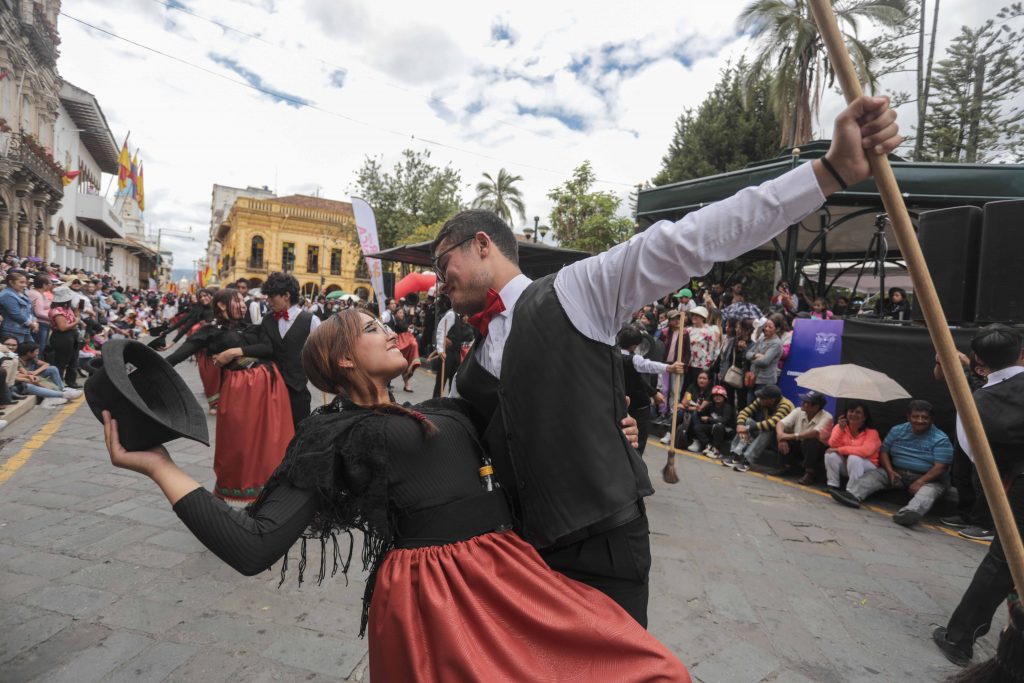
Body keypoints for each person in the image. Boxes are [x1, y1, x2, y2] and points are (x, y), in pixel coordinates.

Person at [431, 95, 900, 626]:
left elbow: (694, 239)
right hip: (516, 549)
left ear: (482, 244)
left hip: (601, 549)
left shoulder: (580, 289)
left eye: (442, 261)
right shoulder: (471, 354)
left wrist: (831, 171)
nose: (437, 276)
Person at [100, 309, 692, 681]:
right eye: (373, 329)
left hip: (515, 572)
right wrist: (158, 466)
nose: (392, 331)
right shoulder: (330, 435)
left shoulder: (449, 407)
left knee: (645, 667)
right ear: (341, 358)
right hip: (438, 599)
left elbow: (530, 438)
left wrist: (619, 431)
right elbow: (252, 545)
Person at [934, 325, 1024, 667]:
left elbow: (977, 456)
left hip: (1018, 487)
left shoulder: (977, 405)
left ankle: (959, 639)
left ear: (978, 362)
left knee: (1003, 562)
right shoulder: (981, 395)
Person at [166, 288, 294, 503]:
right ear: (222, 305)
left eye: (244, 301)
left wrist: (233, 352)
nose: (243, 305)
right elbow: (179, 355)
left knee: (269, 441)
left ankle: (264, 491)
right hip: (239, 391)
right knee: (235, 442)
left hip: (269, 389)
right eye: (238, 301)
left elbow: (268, 348)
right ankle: (224, 490)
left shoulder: (254, 327)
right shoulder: (209, 332)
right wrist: (142, 366)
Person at [212, 272, 319, 430]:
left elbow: (323, 351)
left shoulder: (311, 320)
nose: (267, 301)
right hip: (270, 391)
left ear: (286, 296)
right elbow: (251, 338)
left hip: (297, 393)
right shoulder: (266, 319)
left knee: (299, 435)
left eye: (271, 296)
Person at [830, 400, 953, 526]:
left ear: (932, 419)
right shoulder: (897, 430)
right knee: (874, 475)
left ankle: (909, 513)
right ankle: (852, 495)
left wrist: (920, 481)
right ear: (908, 417)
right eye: (916, 416)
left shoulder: (940, 439)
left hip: (929, 479)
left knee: (927, 493)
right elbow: (884, 451)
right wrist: (889, 471)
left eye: (924, 418)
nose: (919, 420)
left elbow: (941, 467)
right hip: (897, 472)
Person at [618, 325, 684, 454]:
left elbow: (638, 378)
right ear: (634, 345)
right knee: (638, 443)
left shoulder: (611, 354)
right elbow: (648, 365)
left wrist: (653, 393)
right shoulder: (633, 359)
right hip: (638, 407)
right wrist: (669, 368)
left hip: (620, 405)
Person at [723, 384, 794, 472]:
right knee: (747, 421)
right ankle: (736, 454)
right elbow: (745, 411)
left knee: (768, 429)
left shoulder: (785, 405)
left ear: (772, 400)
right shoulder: (762, 401)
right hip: (766, 435)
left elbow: (772, 423)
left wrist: (748, 428)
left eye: (763, 397)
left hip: (783, 440)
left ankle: (747, 460)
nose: (759, 399)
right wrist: (740, 424)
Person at [776, 390, 834, 485]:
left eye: (807, 402)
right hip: (800, 445)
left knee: (811, 441)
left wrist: (792, 436)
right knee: (783, 436)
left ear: (816, 407)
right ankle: (784, 466)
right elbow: (780, 423)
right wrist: (781, 437)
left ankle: (809, 473)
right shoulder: (798, 411)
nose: (803, 403)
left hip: (818, 450)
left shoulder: (827, 417)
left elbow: (815, 433)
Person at [825, 402, 882, 494]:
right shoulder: (840, 427)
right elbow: (832, 444)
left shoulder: (872, 433)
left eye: (858, 412)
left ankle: (851, 491)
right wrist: (840, 429)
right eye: (851, 411)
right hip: (848, 465)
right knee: (830, 455)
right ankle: (832, 485)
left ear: (864, 417)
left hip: (867, 467)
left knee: (854, 458)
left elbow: (865, 451)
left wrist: (839, 450)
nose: (853, 414)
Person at [15, 340, 81, 406]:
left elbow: (46, 364)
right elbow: (26, 375)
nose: (38, 353)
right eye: (36, 351)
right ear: (29, 353)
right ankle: (62, 394)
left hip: (31, 377)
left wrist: (35, 372)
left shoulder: (32, 359)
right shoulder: (17, 360)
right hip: (24, 380)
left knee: (52, 368)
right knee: (34, 383)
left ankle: (62, 389)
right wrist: (33, 376)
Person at [47, 286, 81, 389]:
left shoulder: (67, 308)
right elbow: (63, 327)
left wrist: (77, 311)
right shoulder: (57, 311)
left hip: (72, 335)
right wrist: (76, 322)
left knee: (73, 359)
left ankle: (71, 381)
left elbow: (74, 317)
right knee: (61, 361)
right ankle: (58, 383)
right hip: (62, 337)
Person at [745, 316, 784, 403]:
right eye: (766, 326)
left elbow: (764, 362)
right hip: (753, 378)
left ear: (777, 329)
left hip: (765, 381)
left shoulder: (776, 344)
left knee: (760, 407)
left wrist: (753, 358)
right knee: (749, 405)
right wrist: (756, 355)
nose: (766, 329)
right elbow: (747, 354)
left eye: (770, 327)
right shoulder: (762, 338)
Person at [690, 384, 735, 459]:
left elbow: (724, 420)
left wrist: (709, 419)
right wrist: (699, 409)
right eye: (715, 395)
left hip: (727, 429)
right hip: (713, 427)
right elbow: (702, 415)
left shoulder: (727, 407)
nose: (717, 397)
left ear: (724, 397)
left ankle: (716, 451)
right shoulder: (711, 405)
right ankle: (708, 445)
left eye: (720, 395)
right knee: (698, 427)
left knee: (718, 426)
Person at [677, 369, 713, 452]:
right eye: (700, 378)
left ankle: (697, 441)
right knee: (680, 413)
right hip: (690, 410)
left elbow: (700, 408)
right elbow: (684, 401)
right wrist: (686, 406)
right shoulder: (693, 387)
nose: (701, 380)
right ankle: (670, 434)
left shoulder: (710, 391)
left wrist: (687, 407)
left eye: (704, 378)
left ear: (709, 381)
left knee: (694, 414)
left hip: (703, 415)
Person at [0, 271, 38, 343]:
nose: (24, 285)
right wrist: (31, 324)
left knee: (32, 351)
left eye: (25, 282)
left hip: (24, 330)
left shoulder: (20, 294)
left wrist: (35, 322)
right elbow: (16, 314)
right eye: (21, 282)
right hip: (12, 331)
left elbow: (30, 311)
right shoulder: (7, 295)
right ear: (11, 282)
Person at [27, 273, 52, 351]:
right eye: (50, 282)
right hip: (40, 325)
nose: (51, 284)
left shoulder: (40, 294)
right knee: (39, 348)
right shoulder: (36, 294)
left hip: (43, 324)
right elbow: (39, 312)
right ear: (44, 285)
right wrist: (53, 318)